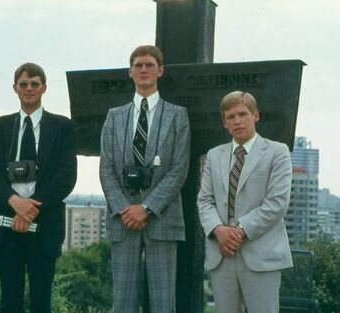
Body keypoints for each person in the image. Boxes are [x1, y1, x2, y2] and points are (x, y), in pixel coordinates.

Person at [99, 45, 190, 313]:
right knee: (123, 304)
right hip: (123, 218)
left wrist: (147, 208)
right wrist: (126, 209)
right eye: (138, 65)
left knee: (164, 303)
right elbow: (106, 168)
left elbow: (179, 168)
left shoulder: (177, 115)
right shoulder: (114, 117)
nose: (143, 69)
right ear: (130, 71)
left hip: (162, 217)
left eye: (149, 64)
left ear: (160, 71)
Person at [0, 62, 77, 313]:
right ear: (15, 88)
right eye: (23, 84)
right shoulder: (2, 126)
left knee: (41, 303)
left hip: (44, 225)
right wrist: (14, 203)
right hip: (6, 223)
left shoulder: (63, 127)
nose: (29, 88)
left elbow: (66, 177)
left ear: (44, 88)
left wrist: (30, 208)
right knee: (9, 302)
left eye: (35, 84)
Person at [198, 91, 293, 313]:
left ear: (256, 115)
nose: (237, 121)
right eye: (230, 117)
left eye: (242, 114)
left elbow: (277, 203)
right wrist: (219, 230)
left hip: (261, 254)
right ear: (224, 122)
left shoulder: (277, 152)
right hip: (222, 254)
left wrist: (239, 231)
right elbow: (204, 200)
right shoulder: (214, 155)